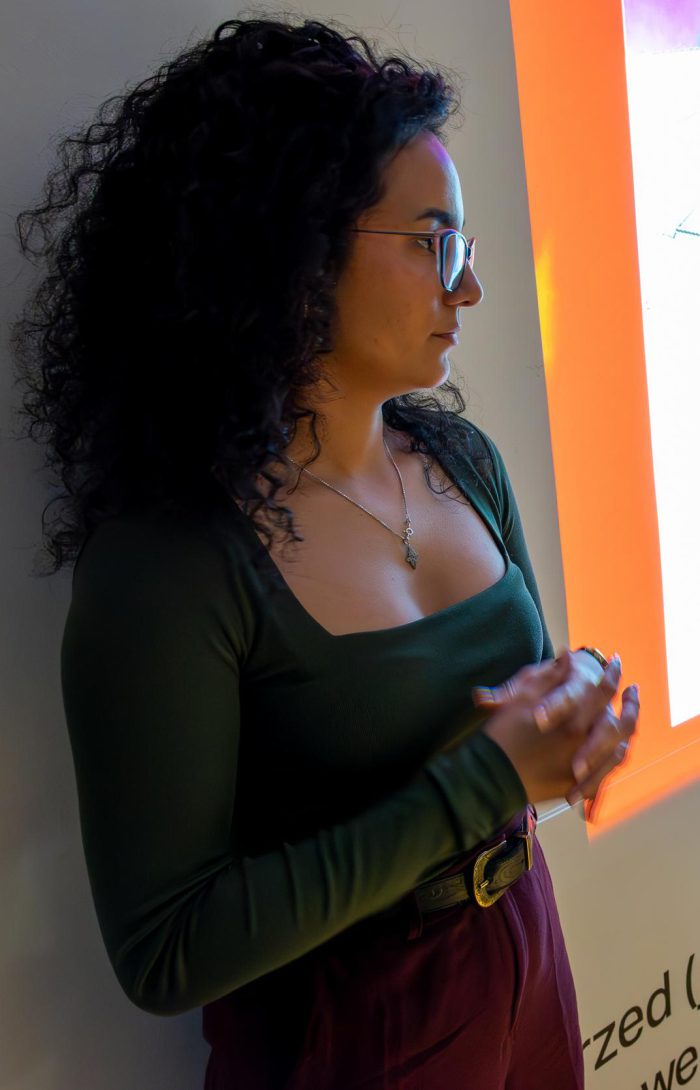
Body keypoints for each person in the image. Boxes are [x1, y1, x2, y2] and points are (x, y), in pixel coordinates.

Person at [11, 15, 639, 1089]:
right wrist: (484, 778)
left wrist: (572, 709)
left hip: (526, 958)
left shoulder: (461, 459)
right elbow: (166, 947)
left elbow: (508, 716)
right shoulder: (171, 562)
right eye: (433, 243)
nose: (468, 289)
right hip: (351, 1029)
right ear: (294, 251)